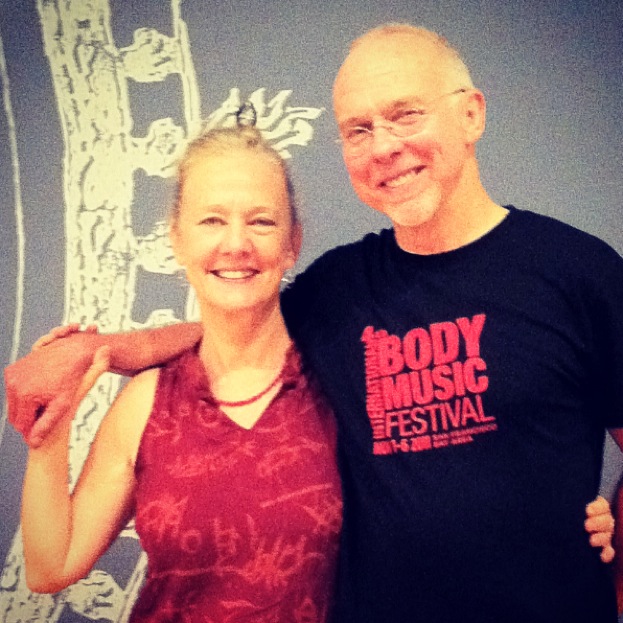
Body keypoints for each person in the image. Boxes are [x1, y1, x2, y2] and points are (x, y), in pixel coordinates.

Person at [5, 23, 623, 623]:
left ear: (471, 114)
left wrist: (616, 535)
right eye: (359, 129)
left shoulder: (578, 272)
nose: (383, 146)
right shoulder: (339, 292)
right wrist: (100, 351)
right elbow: (237, 330)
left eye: (406, 115)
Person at [17, 124, 343, 622]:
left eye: (261, 221)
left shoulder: (342, 385)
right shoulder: (148, 402)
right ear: (176, 239)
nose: (236, 243)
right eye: (212, 220)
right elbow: (50, 566)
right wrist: (50, 430)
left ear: (292, 242)